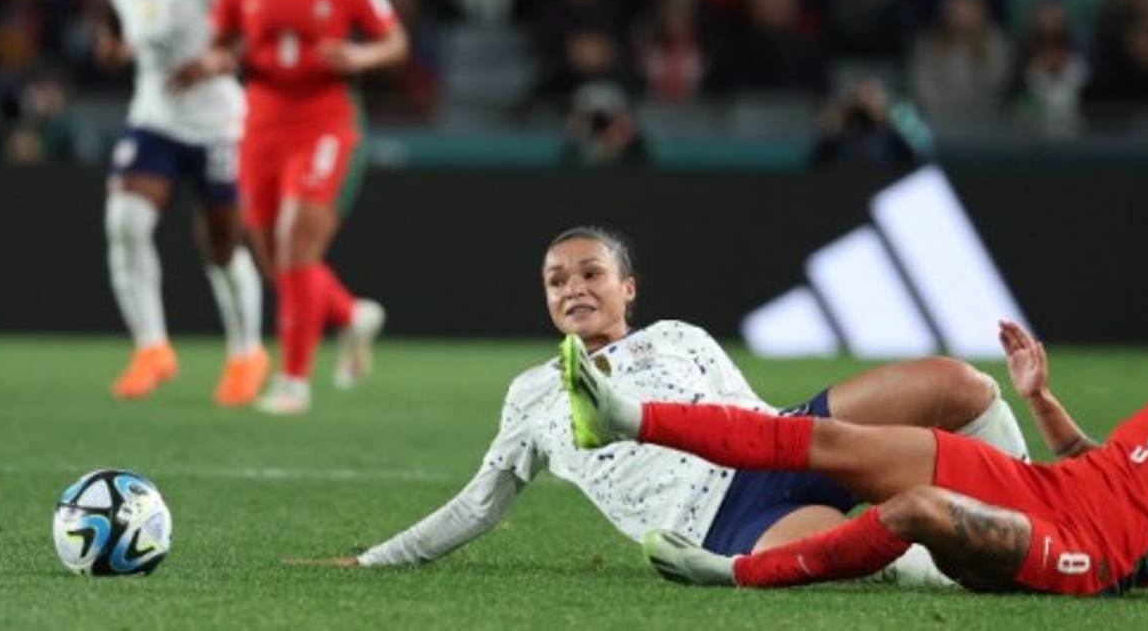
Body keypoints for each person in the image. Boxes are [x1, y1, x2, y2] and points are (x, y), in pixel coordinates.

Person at [298, 226, 1029, 587]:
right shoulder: (530, 395)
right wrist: (372, 560)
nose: (573, 288)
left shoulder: (680, 335)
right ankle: (1011, 562)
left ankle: (1037, 506)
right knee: (872, 548)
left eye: (592, 273)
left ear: (628, 290)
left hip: (781, 444)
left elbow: (750, 407)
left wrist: (833, 447)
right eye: (557, 280)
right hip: (720, 521)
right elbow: (476, 506)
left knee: (957, 384)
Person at [565, 283, 1148, 605]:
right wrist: (1038, 399)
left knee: (916, 509)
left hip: (1080, 557)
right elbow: (1099, 468)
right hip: (1044, 495)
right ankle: (626, 417)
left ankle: (737, 572)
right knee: (830, 437)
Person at [173, 0, 407, 414]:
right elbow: (220, 45)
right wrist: (208, 64)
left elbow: (394, 41)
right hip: (260, 122)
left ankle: (293, 382)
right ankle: (349, 315)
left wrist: (358, 56)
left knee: (296, 239)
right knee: (276, 259)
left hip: (325, 120)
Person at [100, 0, 267, 405]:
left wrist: (213, 62)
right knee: (125, 222)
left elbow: (248, 37)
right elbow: (127, 36)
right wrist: (112, 51)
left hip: (217, 124)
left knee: (221, 246)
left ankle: (246, 353)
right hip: (154, 119)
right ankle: (152, 349)